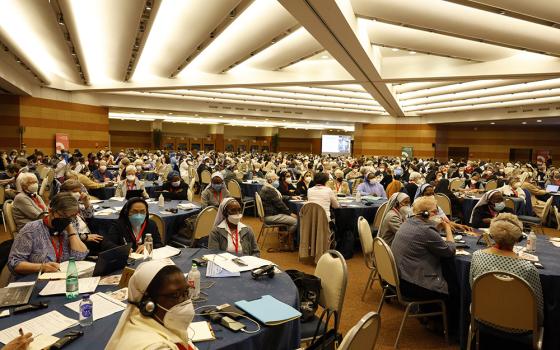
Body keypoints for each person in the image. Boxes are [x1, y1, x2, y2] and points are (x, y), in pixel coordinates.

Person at [391, 196, 458, 330]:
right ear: (427, 213)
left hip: (400, 278)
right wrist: (447, 228)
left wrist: (438, 227)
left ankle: (431, 316)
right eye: (436, 211)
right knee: (454, 287)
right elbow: (450, 251)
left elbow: (427, 236)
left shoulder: (408, 222)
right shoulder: (426, 231)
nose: (438, 213)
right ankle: (450, 328)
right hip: (412, 284)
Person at [469, 213, 543, 329]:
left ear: (492, 235)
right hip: (519, 326)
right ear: (518, 238)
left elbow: (473, 287)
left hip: (482, 317)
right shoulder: (528, 268)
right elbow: (537, 308)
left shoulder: (477, 256)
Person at [106, 260, 197, 350]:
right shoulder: (154, 346)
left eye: (186, 292)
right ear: (148, 303)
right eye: (175, 295)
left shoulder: (160, 322)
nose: (185, 301)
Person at [8, 193, 89, 275]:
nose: (67, 220)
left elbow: (80, 256)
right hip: (36, 278)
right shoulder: (31, 229)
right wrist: (42, 267)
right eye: (63, 216)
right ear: (50, 211)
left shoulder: (67, 228)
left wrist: (71, 231)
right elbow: (14, 263)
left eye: (71, 217)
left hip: (62, 278)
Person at [59, 179, 105, 254]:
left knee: (107, 238)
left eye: (79, 192)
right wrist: (85, 237)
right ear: (64, 193)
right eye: (74, 191)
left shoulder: (75, 203)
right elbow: (65, 235)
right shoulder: (61, 208)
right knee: (104, 246)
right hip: (77, 240)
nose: (78, 194)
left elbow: (89, 215)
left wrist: (86, 202)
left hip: (86, 233)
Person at [259, 172, 298, 238]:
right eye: (275, 179)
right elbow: (280, 204)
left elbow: (278, 197)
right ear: (270, 180)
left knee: (291, 216)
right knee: (296, 221)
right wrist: (290, 213)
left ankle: (286, 236)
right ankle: (286, 235)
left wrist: (290, 197)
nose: (277, 181)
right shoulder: (269, 190)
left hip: (269, 214)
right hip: (270, 216)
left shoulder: (266, 187)